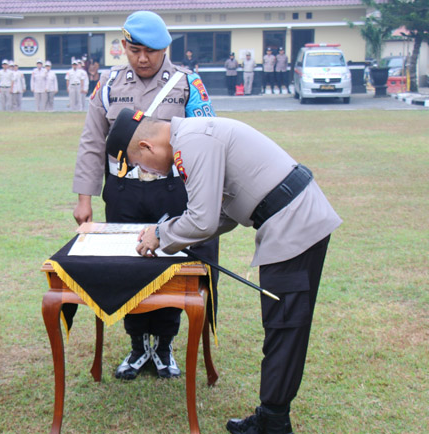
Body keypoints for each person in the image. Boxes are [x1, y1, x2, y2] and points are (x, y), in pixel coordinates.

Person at [107, 108, 342, 434]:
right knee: (281, 325)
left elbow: (202, 219)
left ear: (147, 146)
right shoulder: (191, 136)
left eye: (140, 165)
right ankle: (272, 416)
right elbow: (222, 215)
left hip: (294, 223)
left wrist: (160, 235)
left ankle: (274, 423)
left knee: (284, 326)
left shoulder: (191, 140)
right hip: (289, 219)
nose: (147, 172)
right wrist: (167, 238)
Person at [72, 10, 218, 381]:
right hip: (122, 191)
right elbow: (91, 144)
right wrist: (84, 198)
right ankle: (138, 346)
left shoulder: (187, 84)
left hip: (171, 191)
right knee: (129, 269)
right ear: (123, 46)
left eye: (151, 51)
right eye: (134, 49)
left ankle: (166, 345)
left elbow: (207, 141)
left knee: (170, 268)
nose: (142, 58)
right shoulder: (107, 86)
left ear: (165, 48)